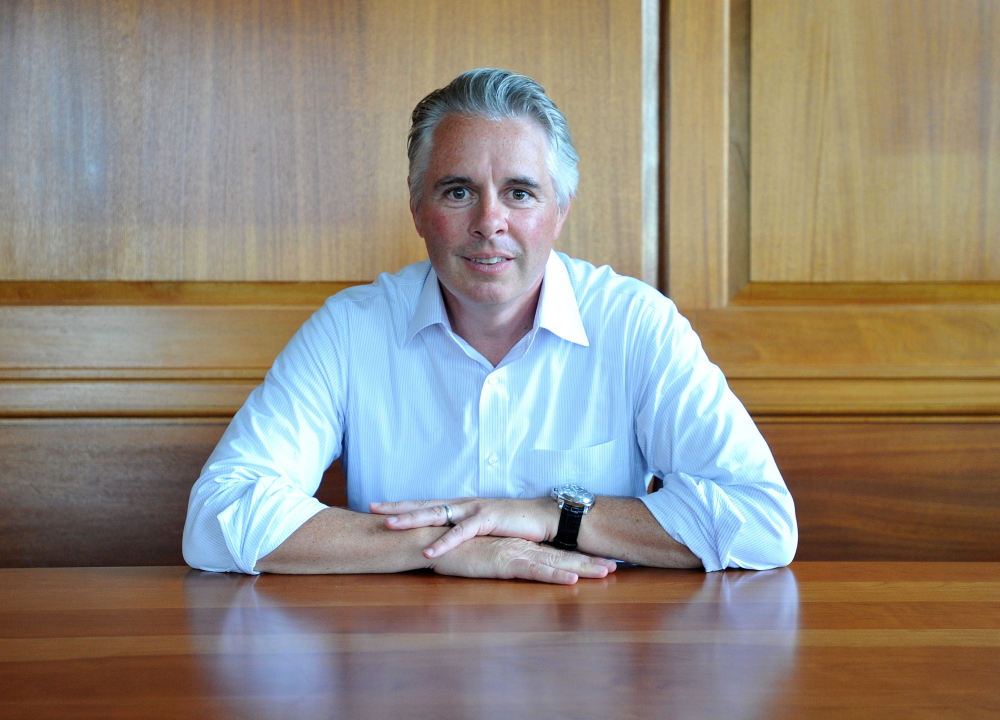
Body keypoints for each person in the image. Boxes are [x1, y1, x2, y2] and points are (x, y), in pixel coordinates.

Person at [183, 68, 797, 584]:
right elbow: (218, 517)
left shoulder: (636, 325)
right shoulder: (350, 331)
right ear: (418, 207)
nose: (489, 221)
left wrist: (554, 517)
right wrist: (449, 545)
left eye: (521, 193)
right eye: (457, 191)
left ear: (560, 211)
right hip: (401, 668)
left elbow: (762, 521)